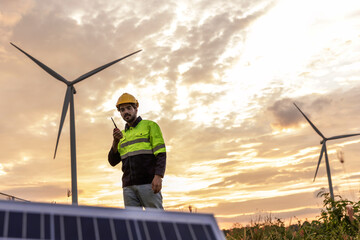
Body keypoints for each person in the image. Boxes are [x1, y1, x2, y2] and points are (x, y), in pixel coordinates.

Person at [108, 93, 166, 209]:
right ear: (119, 112)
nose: (126, 112)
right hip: (128, 187)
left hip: (148, 184)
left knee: (156, 221)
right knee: (133, 224)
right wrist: (115, 141)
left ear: (136, 108)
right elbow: (112, 161)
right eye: (122, 110)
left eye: (129, 108)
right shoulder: (121, 135)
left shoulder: (150, 126)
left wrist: (158, 176)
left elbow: (160, 153)